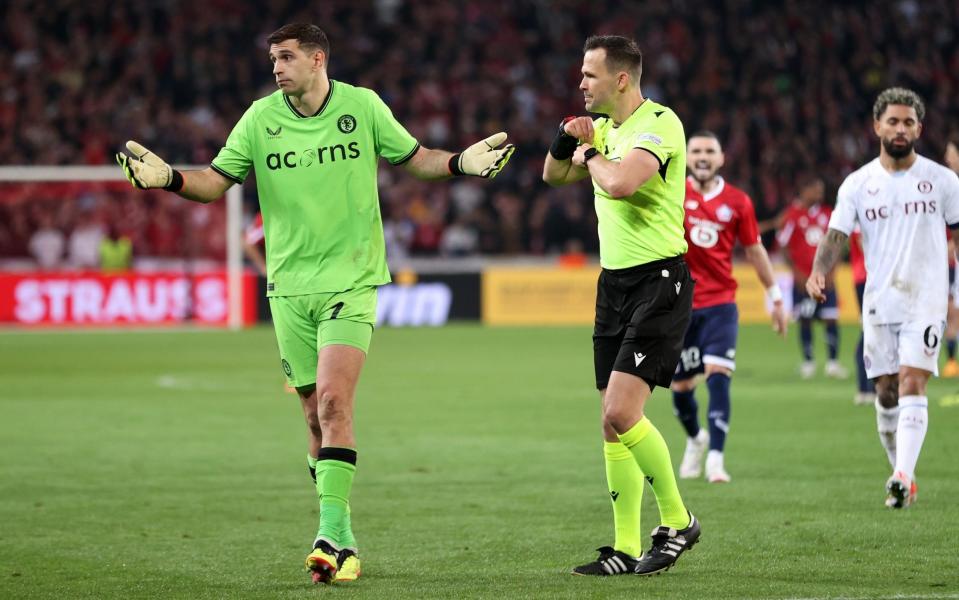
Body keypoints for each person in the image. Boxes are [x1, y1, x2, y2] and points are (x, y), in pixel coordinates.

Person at [116, 23, 514, 584]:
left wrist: (459, 164)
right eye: (272, 58)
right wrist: (169, 178)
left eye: (285, 57)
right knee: (311, 416)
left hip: (351, 279)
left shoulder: (363, 106)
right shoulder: (259, 119)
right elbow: (214, 181)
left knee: (332, 402)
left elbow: (414, 157)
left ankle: (327, 534)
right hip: (288, 287)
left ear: (317, 58)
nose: (276, 67)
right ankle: (345, 537)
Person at [542, 34, 699, 577]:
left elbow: (622, 183)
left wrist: (589, 153)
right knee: (611, 424)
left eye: (589, 74)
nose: (581, 83)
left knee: (620, 412)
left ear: (622, 78)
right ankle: (626, 547)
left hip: (660, 281)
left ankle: (678, 521)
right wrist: (567, 139)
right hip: (614, 285)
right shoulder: (606, 129)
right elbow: (552, 174)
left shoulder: (659, 123)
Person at [807, 87, 959, 509]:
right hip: (879, 301)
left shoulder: (943, 181)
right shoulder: (858, 184)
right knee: (886, 391)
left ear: (919, 129)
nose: (900, 128)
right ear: (877, 126)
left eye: (908, 122)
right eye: (892, 121)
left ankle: (903, 474)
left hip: (927, 299)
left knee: (913, 381)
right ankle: (900, 475)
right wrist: (820, 270)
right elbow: (836, 235)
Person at [672, 131, 788, 484]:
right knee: (681, 388)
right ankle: (696, 439)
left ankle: (716, 460)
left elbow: (755, 250)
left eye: (710, 151)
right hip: (678, 306)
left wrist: (776, 296)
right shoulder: (671, 191)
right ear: (687, 156)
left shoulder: (738, 201)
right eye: (696, 151)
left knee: (718, 377)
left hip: (721, 304)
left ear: (722, 158)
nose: (703, 156)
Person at [777, 176, 847, 379]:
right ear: (804, 190)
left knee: (831, 318)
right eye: (815, 190)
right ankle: (808, 362)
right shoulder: (792, 215)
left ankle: (833, 363)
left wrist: (833, 272)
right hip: (803, 281)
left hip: (825, 278)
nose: (819, 194)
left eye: (821, 190)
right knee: (805, 320)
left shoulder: (828, 214)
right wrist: (796, 273)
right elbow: (783, 246)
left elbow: (839, 244)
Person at [848, 228, 877, 405]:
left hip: (867, 278)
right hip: (868, 279)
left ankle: (866, 389)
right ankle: (867, 388)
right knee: (871, 335)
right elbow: (865, 245)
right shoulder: (862, 212)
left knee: (870, 334)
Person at [942, 136, 959, 376]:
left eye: (951, 153)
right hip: (951, 262)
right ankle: (952, 362)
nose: (947, 158)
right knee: (951, 311)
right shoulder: (947, 185)